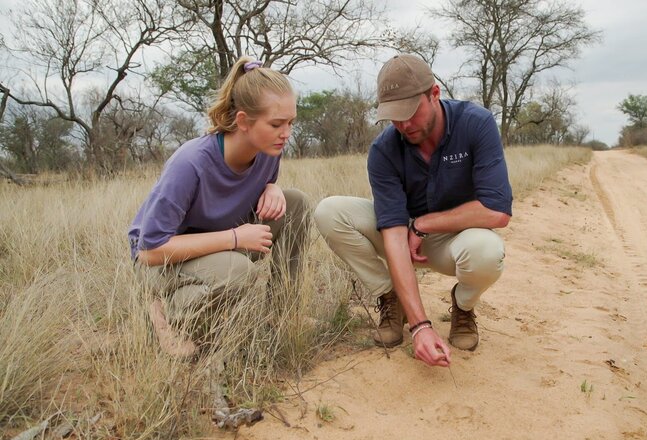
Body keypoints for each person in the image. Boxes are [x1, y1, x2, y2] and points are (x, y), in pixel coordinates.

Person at [313, 54, 512, 367]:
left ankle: (463, 306)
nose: (404, 124)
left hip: (456, 240)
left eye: (410, 112)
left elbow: (497, 210)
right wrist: (421, 326)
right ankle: (391, 298)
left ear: (434, 94)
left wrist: (425, 224)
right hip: (404, 240)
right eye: (394, 116)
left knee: (488, 250)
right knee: (329, 211)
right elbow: (393, 234)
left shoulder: (476, 123)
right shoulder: (384, 150)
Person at [128, 56, 310, 358]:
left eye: (291, 122)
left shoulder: (269, 151)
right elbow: (150, 250)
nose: (286, 133)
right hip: (162, 261)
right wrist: (236, 239)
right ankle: (162, 315)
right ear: (243, 121)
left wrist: (272, 187)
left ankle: (281, 314)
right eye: (276, 124)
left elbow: (253, 189)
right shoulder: (190, 164)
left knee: (297, 203)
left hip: (220, 243)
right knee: (238, 272)